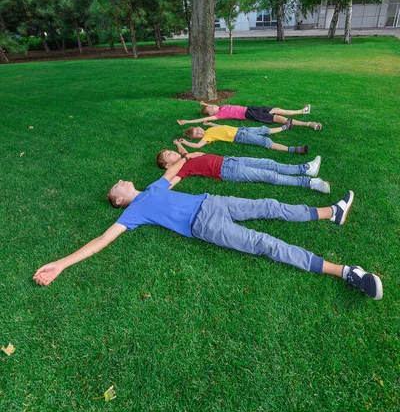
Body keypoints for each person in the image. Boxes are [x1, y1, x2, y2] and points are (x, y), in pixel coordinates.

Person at [32, 156, 382, 300]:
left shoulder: (155, 187)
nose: (122, 181)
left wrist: (186, 147)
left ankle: (331, 213)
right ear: (118, 201)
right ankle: (346, 273)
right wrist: (61, 263)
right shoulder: (132, 214)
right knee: (267, 244)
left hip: (214, 201)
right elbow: (99, 242)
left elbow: (182, 163)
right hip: (205, 225)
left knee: (270, 206)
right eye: (117, 187)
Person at [156, 140, 330, 193]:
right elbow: (168, 184)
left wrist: (178, 144)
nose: (171, 152)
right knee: (269, 176)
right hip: (229, 170)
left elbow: (181, 150)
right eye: (168, 155)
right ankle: (309, 183)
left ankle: (306, 169)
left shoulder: (185, 156)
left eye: (170, 150)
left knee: (270, 163)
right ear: (167, 166)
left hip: (231, 160)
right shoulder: (182, 168)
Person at [179, 122, 309, 155]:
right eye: (197, 134)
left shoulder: (208, 130)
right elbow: (197, 146)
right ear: (196, 137)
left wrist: (210, 124)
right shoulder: (207, 136)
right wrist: (185, 142)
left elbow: (220, 126)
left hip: (241, 130)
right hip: (239, 136)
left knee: (262, 129)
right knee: (264, 141)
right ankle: (291, 149)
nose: (199, 131)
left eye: (198, 129)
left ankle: (284, 128)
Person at [177, 101, 322, 130]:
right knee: (278, 119)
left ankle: (303, 111)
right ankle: (309, 124)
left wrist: (203, 103)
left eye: (211, 105)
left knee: (277, 109)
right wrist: (187, 121)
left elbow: (208, 106)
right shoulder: (218, 115)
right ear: (211, 113)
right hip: (249, 114)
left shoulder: (221, 107)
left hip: (251, 108)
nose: (213, 106)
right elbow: (204, 118)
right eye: (210, 108)